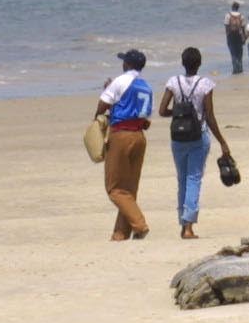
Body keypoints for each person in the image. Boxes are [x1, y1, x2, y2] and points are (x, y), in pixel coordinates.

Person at [158, 46, 234, 239]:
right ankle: (189, 226)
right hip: (198, 137)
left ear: (183, 63)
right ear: (199, 64)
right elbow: (209, 116)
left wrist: (178, 114)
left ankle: (183, 223)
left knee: (182, 179)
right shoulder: (205, 84)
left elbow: (162, 111)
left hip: (177, 138)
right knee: (194, 178)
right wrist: (223, 142)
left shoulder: (173, 82)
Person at [93, 49, 154, 241]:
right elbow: (144, 115)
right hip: (139, 136)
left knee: (114, 189)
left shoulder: (120, 81)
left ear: (127, 64)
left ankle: (140, 225)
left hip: (121, 135)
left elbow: (103, 104)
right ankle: (121, 232)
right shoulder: (146, 86)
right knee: (129, 188)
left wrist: (97, 120)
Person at [223, 1, 248, 75]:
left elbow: (226, 26)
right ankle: (240, 69)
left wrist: (227, 35)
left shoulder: (228, 15)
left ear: (232, 7)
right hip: (239, 36)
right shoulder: (241, 16)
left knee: (233, 52)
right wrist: (244, 37)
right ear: (238, 8)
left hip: (231, 36)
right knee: (239, 53)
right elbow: (243, 27)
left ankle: (235, 69)